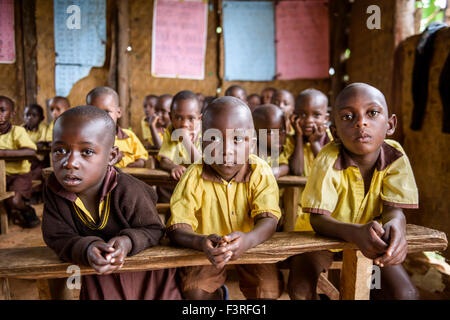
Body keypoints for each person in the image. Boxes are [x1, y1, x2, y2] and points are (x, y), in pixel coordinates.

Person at [288, 83, 420, 300]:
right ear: (334, 132)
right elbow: (319, 221)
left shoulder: (395, 156)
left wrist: (396, 226)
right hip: (319, 237)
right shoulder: (328, 158)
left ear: (390, 125)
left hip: (370, 237)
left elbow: (392, 211)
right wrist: (355, 233)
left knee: (405, 293)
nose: (361, 122)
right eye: (348, 117)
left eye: (373, 113)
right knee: (300, 290)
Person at [42, 105, 181, 300]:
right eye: (60, 150)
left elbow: (154, 229)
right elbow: (56, 236)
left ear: (112, 156)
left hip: (146, 271)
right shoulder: (54, 188)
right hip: (98, 270)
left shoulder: (128, 190)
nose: (70, 162)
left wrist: (127, 242)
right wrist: (88, 247)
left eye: (87, 152)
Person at [167, 96, 284, 300]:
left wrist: (248, 239)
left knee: (268, 291)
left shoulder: (260, 171)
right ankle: (219, 295)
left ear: (253, 143)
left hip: (253, 245)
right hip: (206, 251)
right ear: (201, 141)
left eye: (237, 139)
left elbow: (269, 220)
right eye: (213, 139)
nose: (226, 150)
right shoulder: (193, 176)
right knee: (195, 292)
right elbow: (177, 228)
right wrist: (201, 242)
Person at [289, 88, 332, 232]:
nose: (308, 120)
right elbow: (297, 170)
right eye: (302, 114)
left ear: (326, 119)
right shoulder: (290, 140)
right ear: (294, 116)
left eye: (316, 115)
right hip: (296, 207)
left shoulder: (332, 141)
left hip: (324, 209)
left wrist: (315, 143)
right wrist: (299, 138)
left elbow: (328, 169)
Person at [0, 96, 40, 228]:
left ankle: (27, 210)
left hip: (19, 175)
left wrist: (2, 153)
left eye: (2, 110)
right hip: (1, 176)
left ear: (12, 114)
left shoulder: (17, 131)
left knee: (14, 201)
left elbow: (31, 152)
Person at [87, 86, 148, 168]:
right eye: (95, 112)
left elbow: (142, 158)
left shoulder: (129, 136)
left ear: (118, 112)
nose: (101, 116)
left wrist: (134, 165)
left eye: (107, 111)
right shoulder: (86, 137)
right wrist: (112, 158)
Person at [252, 104, 292, 179]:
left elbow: (285, 166)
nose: (278, 136)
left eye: (282, 130)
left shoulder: (277, 153)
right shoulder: (251, 154)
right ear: (255, 133)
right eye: (270, 132)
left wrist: (277, 171)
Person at [23, 103, 49, 199]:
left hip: (40, 161)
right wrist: (34, 145)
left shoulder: (43, 128)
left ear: (41, 118)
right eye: (27, 115)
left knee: (38, 174)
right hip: (24, 160)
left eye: (34, 115)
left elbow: (43, 144)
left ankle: (37, 195)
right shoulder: (21, 129)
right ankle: (26, 196)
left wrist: (28, 146)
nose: (30, 118)